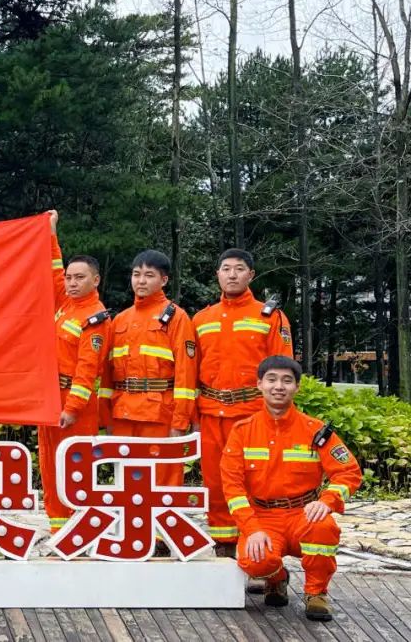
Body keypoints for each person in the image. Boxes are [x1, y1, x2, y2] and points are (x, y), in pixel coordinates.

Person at [221, 356, 361, 622]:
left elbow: (349, 472)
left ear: (297, 387)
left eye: (287, 381)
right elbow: (232, 487)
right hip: (262, 517)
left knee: (324, 527)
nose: (279, 386)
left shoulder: (315, 431)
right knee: (254, 561)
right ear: (259, 384)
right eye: (271, 379)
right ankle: (276, 578)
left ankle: (316, 593)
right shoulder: (242, 431)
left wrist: (327, 501)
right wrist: (251, 529)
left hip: (303, 514)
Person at [193, 249, 294, 556]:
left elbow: (283, 369)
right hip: (212, 413)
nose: (232, 274)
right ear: (217, 274)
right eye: (226, 268)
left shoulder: (270, 317)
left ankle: (260, 548)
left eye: (239, 269)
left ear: (251, 275)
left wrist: (277, 415)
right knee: (215, 482)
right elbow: (190, 371)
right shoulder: (201, 319)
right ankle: (224, 545)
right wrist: (192, 416)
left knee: (256, 481)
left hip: (252, 414)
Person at [38, 211, 111, 531]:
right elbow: (54, 269)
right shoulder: (65, 303)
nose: (71, 282)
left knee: (74, 468)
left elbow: (87, 369)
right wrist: (50, 233)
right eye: (69, 277)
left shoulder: (95, 317)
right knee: (49, 464)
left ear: (95, 280)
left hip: (74, 406)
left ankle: (78, 529)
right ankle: (58, 529)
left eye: (79, 278)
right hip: (50, 399)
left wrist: (72, 407)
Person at [101, 250, 197, 487]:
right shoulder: (120, 319)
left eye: (149, 275)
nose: (141, 281)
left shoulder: (177, 318)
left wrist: (180, 422)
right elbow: (107, 375)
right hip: (123, 413)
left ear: (163, 280)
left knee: (161, 482)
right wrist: (105, 416)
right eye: (136, 274)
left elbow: (186, 374)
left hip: (159, 413)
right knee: (126, 481)